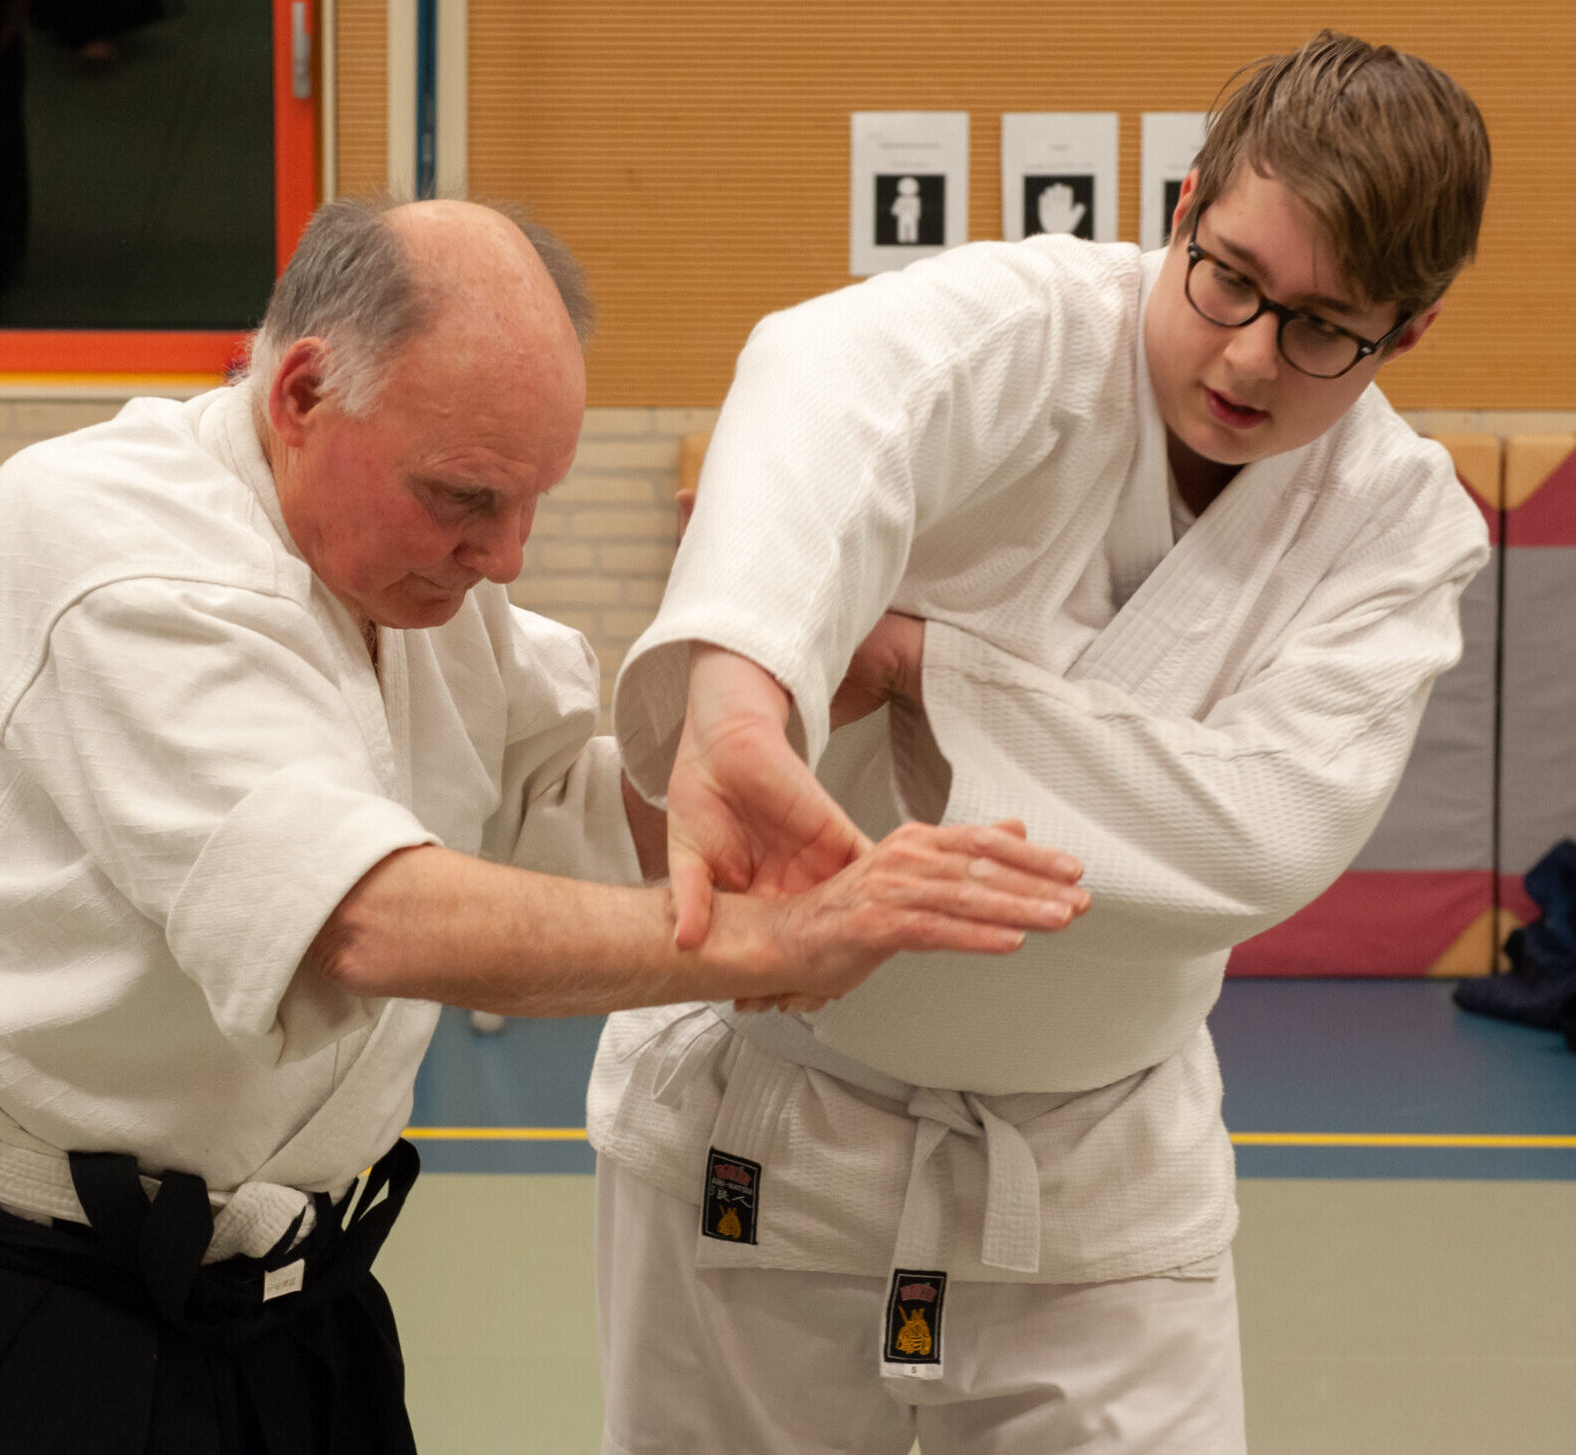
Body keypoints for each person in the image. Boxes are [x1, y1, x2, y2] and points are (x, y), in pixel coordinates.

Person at [0, 197, 1093, 1455]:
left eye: (532, 500)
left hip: (288, 1297)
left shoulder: (412, 584)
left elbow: (551, 805)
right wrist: (765, 943)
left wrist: (788, 704)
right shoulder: (117, 556)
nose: (505, 555)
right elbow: (363, 917)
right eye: (465, 499)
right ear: (302, 394)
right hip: (5, 1303)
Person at [593, 32, 1491, 1454]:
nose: (1250, 356)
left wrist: (919, 667)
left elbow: (1264, 829)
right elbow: (814, 379)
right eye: (1229, 278)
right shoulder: (1025, 333)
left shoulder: (1397, 527)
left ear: (1411, 331)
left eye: (1325, 328)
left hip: (1095, 1175)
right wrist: (740, 698)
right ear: (1185, 206)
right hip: (774, 1122)